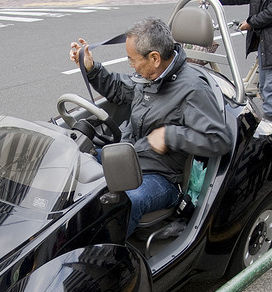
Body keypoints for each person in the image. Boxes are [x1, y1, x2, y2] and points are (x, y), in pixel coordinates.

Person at [69, 17, 233, 237]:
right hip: (129, 158)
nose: (132, 66)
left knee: (124, 203)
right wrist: (91, 69)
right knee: (73, 161)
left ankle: (109, 260)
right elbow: (119, 88)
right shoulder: (149, 78)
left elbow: (219, 139)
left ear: (154, 58)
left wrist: (170, 135)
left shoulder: (192, 90)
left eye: (132, 60)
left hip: (162, 176)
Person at [221, 0, 272, 123]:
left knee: (271, 88)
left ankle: (271, 126)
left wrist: (250, 23)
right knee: (264, 86)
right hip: (267, 44)